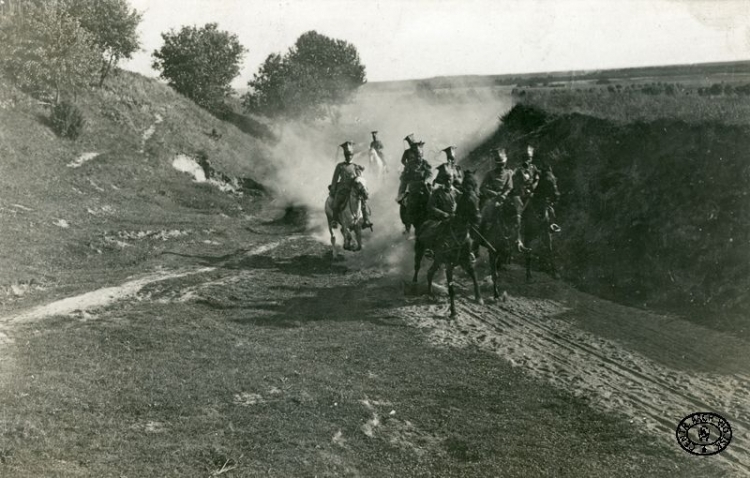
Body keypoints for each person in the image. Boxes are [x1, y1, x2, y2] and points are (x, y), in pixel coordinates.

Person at [329, 141, 372, 229]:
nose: (348, 157)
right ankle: (334, 220)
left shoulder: (356, 166)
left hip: (354, 189)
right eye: (347, 155)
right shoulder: (340, 166)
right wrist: (333, 189)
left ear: (352, 156)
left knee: (363, 201)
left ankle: (366, 219)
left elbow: (360, 179)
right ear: (345, 156)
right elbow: (335, 179)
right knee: (336, 201)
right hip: (343, 189)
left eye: (350, 155)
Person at [510, 145, 541, 232]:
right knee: (519, 211)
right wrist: (524, 191)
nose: (528, 160)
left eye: (529, 158)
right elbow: (515, 183)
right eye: (526, 158)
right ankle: (517, 233)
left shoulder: (534, 168)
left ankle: (549, 225)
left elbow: (537, 179)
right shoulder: (518, 170)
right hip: (521, 194)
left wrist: (533, 188)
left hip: (532, 192)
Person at [397, 134, 430, 203]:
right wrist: (407, 165)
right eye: (412, 145)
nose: (414, 146)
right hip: (409, 168)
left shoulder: (418, 149)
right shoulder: (407, 151)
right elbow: (403, 160)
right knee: (404, 180)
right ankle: (401, 196)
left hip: (419, 166)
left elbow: (421, 157)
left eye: (414, 145)